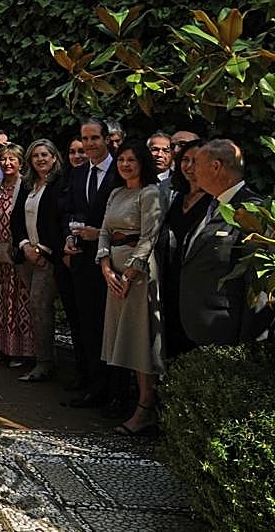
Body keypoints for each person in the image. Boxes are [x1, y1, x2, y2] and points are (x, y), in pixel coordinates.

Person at [97, 139, 164, 436]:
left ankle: (145, 408)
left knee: (140, 341)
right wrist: (106, 267)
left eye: (131, 160)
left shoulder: (150, 193)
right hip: (114, 274)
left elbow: (150, 236)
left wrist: (130, 274)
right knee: (122, 340)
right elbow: (104, 232)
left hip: (138, 277)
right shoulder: (116, 193)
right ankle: (129, 402)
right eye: (121, 159)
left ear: (142, 163)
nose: (125, 164)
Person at [180, 139, 267, 346]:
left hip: (227, 334)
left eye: (196, 163)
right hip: (200, 331)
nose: (191, 169)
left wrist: (251, 347)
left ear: (215, 167)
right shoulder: (213, 204)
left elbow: (257, 284)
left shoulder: (250, 211)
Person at [62, 117, 121, 407]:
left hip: (115, 262)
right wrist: (69, 237)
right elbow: (70, 210)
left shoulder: (122, 170)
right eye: (84, 139)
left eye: (94, 138)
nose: (88, 144)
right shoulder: (78, 173)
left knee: (114, 329)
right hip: (84, 262)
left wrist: (100, 234)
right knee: (88, 325)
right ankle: (93, 385)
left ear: (107, 138)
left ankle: (116, 392)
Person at [10, 139, 66, 383]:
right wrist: (25, 246)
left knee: (40, 305)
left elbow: (58, 221)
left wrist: (42, 251)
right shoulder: (27, 184)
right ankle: (42, 357)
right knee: (34, 307)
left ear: (54, 157)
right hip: (27, 256)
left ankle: (44, 363)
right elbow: (16, 219)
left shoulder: (60, 185)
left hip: (48, 258)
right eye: (36, 156)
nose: (41, 159)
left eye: (45, 154)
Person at [157, 139, 207, 360]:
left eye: (196, 161)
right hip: (169, 282)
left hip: (196, 290)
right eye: (185, 159)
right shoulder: (175, 197)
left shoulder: (215, 202)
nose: (189, 166)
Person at [0, 144, 33, 367]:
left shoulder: (27, 186)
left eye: (12, 159)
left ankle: (20, 351)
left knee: (20, 302)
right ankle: (0, 347)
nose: (7, 163)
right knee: (0, 300)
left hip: (18, 252)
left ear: (21, 163)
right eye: (3, 159)